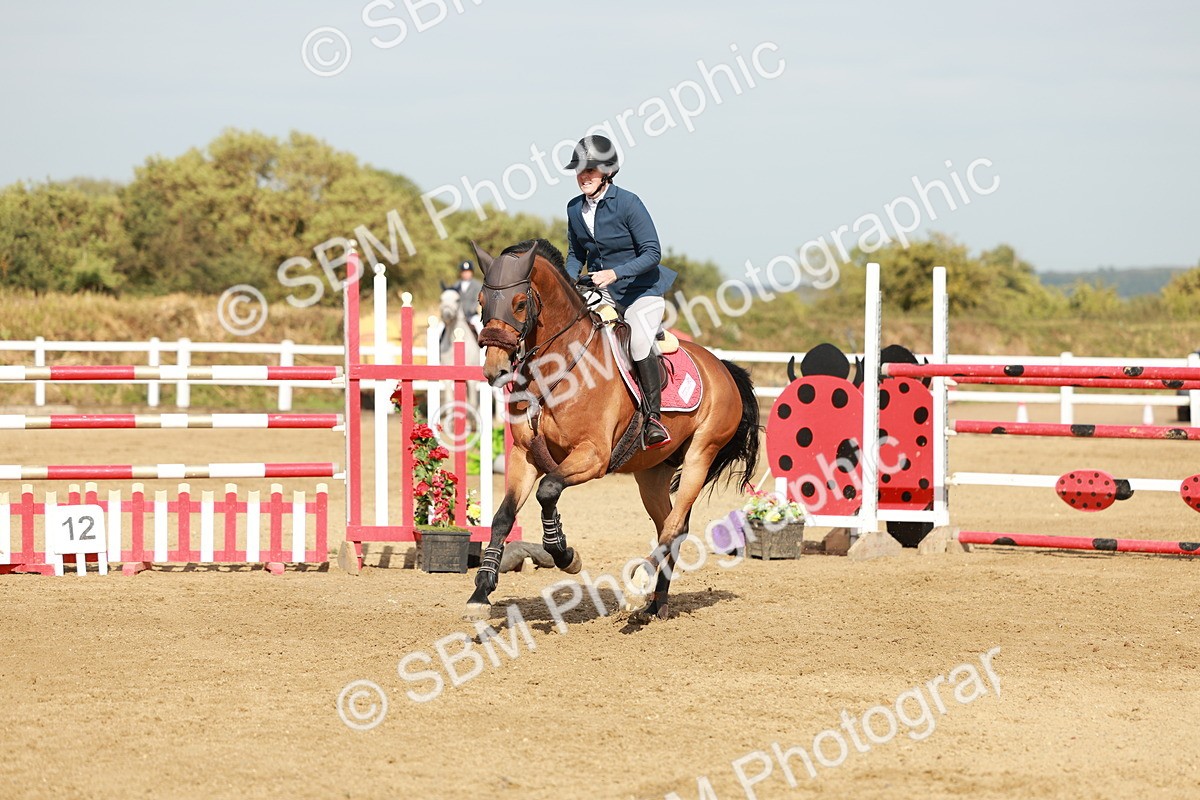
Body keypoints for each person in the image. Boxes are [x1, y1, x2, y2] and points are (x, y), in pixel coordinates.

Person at [563, 134, 677, 449]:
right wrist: (568, 282)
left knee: (639, 342)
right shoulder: (574, 208)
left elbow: (653, 253)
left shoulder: (629, 203)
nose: (583, 176)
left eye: (590, 170)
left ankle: (653, 417)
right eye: (579, 170)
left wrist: (615, 273)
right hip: (603, 292)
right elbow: (576, 256)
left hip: (642, 290)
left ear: (607, 172)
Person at [454, 259, 483, 334]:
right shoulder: (456, 285)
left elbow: (477, 300)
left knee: (479, 326)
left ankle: (483, 345)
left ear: (472, 272)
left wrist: (469, 311)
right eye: (464, 272)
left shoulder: (477, 285)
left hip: (471, 315)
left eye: (468, 272)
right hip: (458, 315)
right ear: (461, 273)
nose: (466, 274)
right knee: (441, 326)